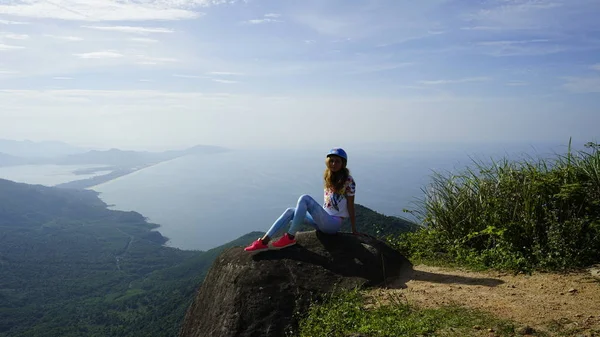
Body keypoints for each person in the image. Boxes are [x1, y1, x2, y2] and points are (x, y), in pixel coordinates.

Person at [244, 147, 357, 252]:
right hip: (321, 221)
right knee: (290, 211)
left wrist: (354, 229)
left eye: (337, 161)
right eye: (331, 161)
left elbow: (350, 204)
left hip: (332, 224)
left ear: (343, 163)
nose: (333, 164)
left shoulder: (348, 180)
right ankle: (263, 242)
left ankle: (290, 237)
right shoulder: (328, 176)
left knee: (305, 199)